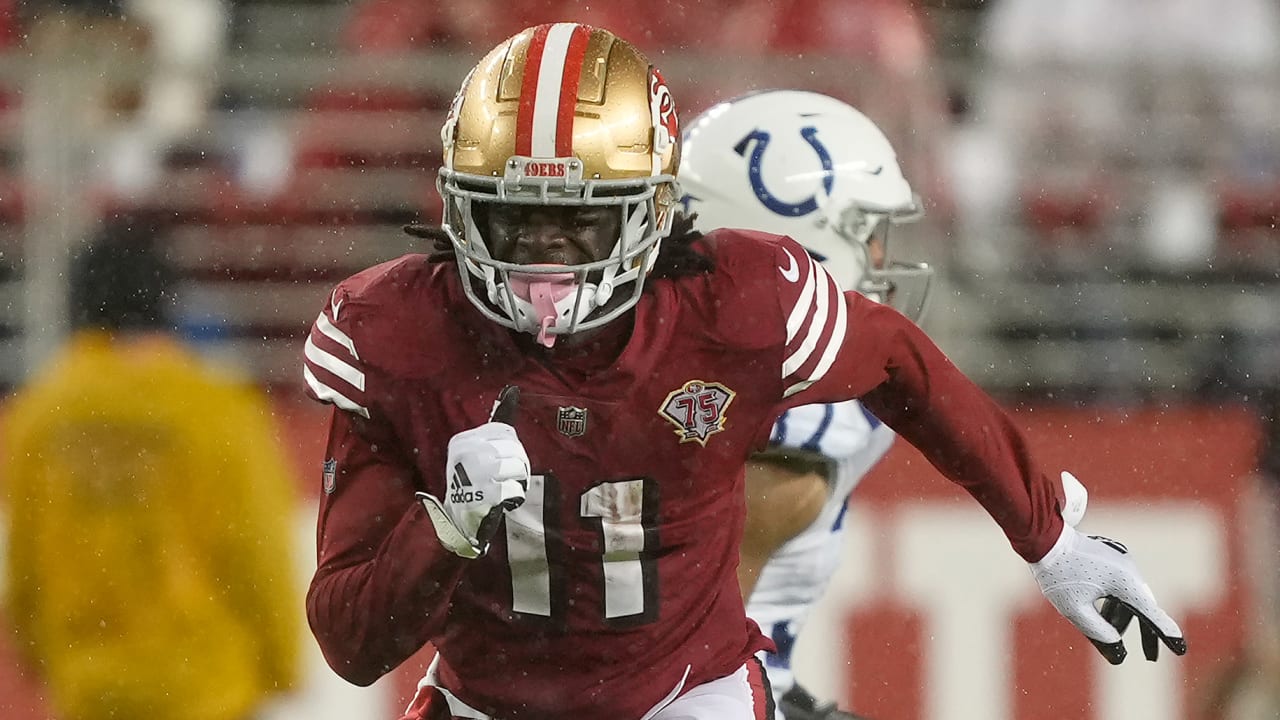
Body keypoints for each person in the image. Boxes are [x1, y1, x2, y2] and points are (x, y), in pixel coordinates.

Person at [301, 23, 1186, 720]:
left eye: (578, 224)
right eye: (513, 220)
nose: (546, 260)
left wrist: (1049, 535)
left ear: (652, 212)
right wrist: (445, 529)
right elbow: (349, 644)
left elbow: (900, 360)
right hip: (484, 703)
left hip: (689, 696)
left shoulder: (739, 304)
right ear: (457, 211)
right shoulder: (396, 334)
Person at [678, 90, 934, 720]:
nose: (881, 259)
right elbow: (681, 653)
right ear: (797, 241)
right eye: (868, 234)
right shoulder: (792, 420)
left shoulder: (666, 360)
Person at [2, 218, 302, 720]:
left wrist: (54, 664)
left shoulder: (38, 417)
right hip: (208, 692)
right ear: (165, 304)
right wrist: (282, 663)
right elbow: (257, 554)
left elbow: (25, 575)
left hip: (91, 693)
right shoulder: (218, 411)